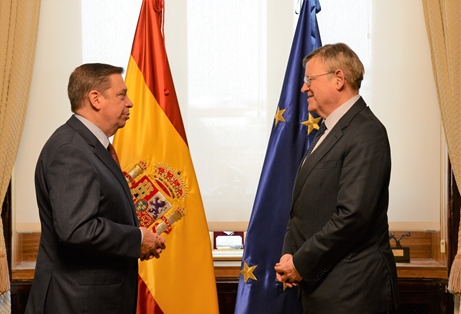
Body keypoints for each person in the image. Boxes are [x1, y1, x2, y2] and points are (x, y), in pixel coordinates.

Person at [25, 63, 166, 314]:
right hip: (76, 302)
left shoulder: (88, 145)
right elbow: (77, 229)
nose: (130, 102)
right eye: (122, 95)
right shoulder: (71, 150)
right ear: (95, 99)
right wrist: (137, 239)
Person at [274, 43, 399, 313]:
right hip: (324, 288)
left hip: (352, 292)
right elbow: (303, 208)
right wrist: (289, 254)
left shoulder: (367, 132)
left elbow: (352, 216)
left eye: (310, 79)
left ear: (339, 79)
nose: (304, 88)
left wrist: (300, 263)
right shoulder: (327, 130)